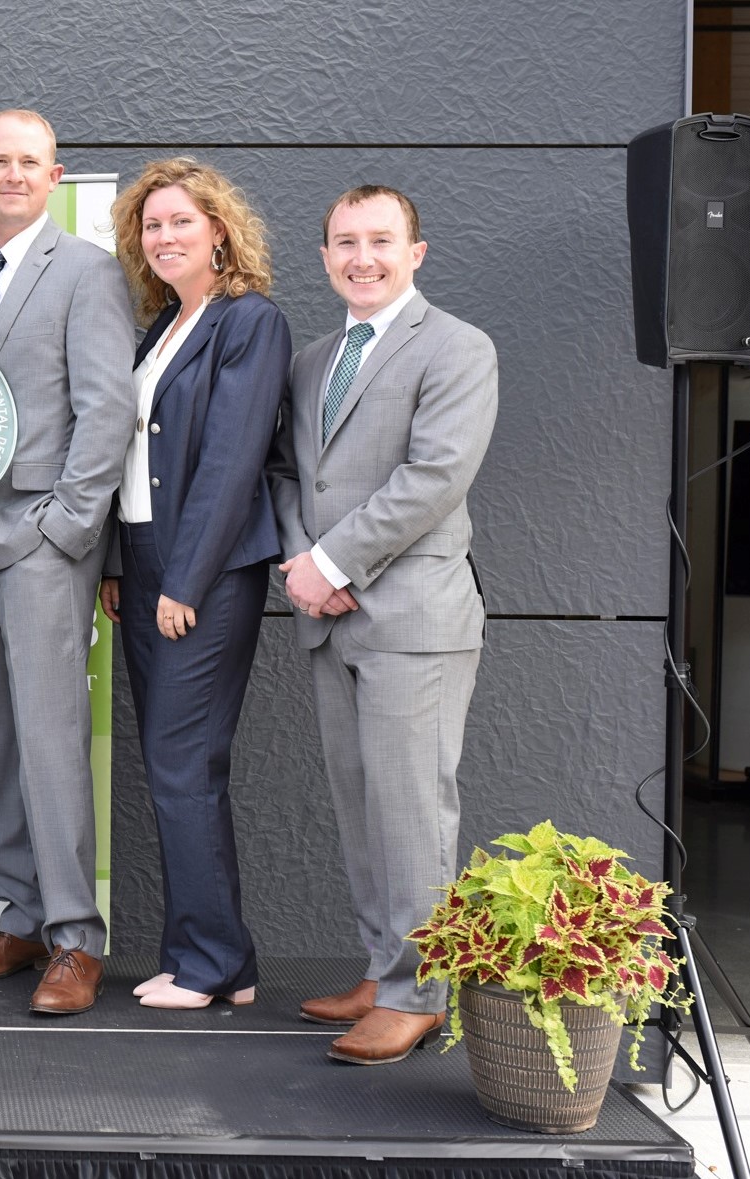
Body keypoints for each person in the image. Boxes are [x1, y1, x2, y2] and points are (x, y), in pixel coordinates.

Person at [268, 185, 497, 1065]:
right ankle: (381, 967)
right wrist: (303, 567)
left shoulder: (456, 348)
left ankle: (420, 993)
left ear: (416, 252)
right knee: (361, 805)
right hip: (331, 615)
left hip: (414, 619)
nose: (361, 257)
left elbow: (434, 477)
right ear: (325, 256)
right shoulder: (316, 359)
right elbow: (289, 474)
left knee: (411, 809)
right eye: (344, 243)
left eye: (380, 241)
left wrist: (331, 564)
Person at [0, 110, 134, 1015]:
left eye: (31, 162)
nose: (13, 174)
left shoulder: (88, 272)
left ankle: (74, 938)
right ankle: (18, 917)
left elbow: (107, 412)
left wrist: (65, 528)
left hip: (45, 544)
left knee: (53, 743)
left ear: (55, 178)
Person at [101, 158, 290, 1011]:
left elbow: (229, 462)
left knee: (183, 765)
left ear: (220, 229)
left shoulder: (249, 322)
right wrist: (120, 564)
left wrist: (184, 580)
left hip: (199, 574)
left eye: (182, 221)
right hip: (145, 565)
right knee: (176, 764)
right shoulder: (162, 327)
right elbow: (129, 454)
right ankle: (223, 961)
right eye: (152, 225)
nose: (165, 236)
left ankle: (208, 962)